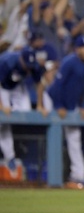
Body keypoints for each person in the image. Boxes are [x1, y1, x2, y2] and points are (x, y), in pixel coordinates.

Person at [47, 34, 84, 189]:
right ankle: (53, 177)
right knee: (54, 137)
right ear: (77, 49)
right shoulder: (69, 62)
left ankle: (78, 176)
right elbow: (56, 87)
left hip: (72, 105)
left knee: (74, 138)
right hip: (54, 100)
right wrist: (59, 105)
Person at [0, 46, 47, 175]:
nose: (28, 67)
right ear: (21, 58)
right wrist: (2, 105)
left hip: (15, 86)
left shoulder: (34, 65)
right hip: (2, 85)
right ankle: (9, 157)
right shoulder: (7, 62)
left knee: (25, 111)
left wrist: (39, 105)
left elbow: (39, 84)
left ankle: (11, 155)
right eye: (26, 64)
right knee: (3, 122)